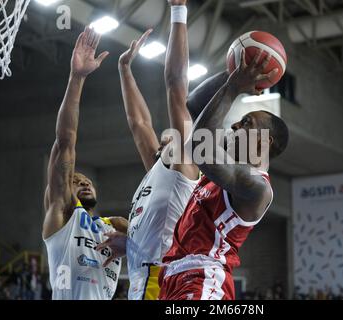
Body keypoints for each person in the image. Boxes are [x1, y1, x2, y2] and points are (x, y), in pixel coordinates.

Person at [96, 0, 228, 300]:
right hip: (142, 282)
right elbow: (138, 122)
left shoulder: (185, 165)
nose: (168, 136)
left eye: (175, 134)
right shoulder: (157, 170)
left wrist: (178, 11)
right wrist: (124, 69)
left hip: (165, 281)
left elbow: (175, 84)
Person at [158, 48, 289, 300]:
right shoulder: (224, 167)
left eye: (247, 123)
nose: (235, 125)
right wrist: (236, 71)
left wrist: (233, 88)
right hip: (173, 277)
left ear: (264, 142)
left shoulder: (257, 188)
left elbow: (200, 148)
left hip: (203, 277)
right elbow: (195, 104)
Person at [42, 27, 125, 300]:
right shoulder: (65, 214)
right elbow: (66, 140)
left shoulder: (111, 227)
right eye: (76, 181)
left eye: (87, 181)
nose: (84, 182)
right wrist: (76, 78)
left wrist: (122, 228)